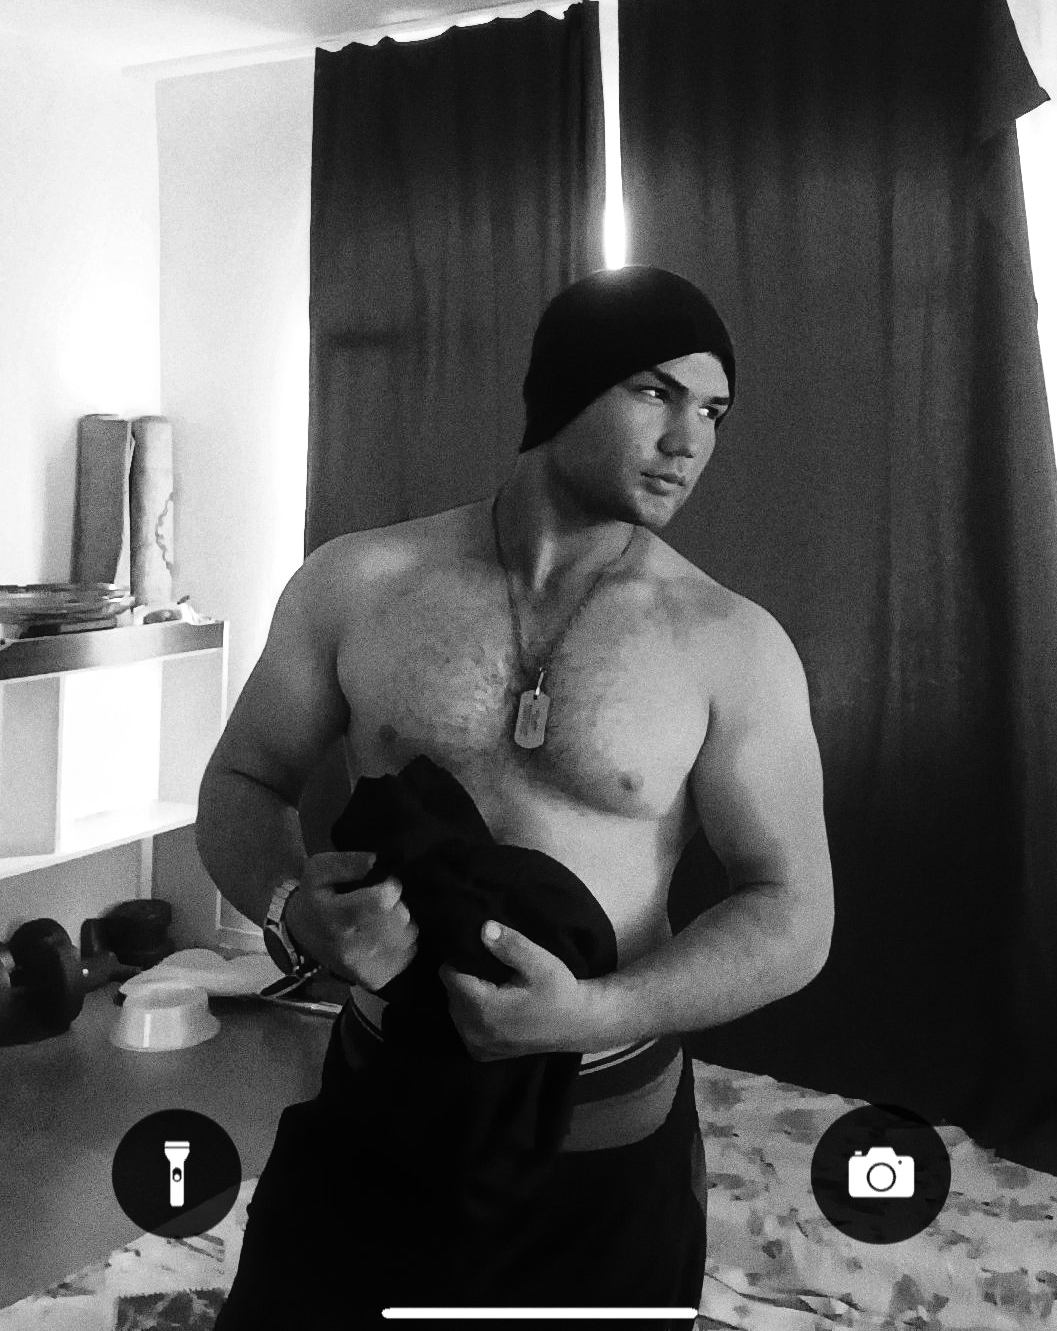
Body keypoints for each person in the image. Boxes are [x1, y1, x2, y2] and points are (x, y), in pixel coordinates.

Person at [199, 265, 834, 1329]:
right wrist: (292, 911)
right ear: (563, 390)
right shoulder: (359, 584)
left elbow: (795, 910)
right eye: (655, 392)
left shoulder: (731, 643)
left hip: (598, 1141)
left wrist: (599, 1011)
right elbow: (242, 780)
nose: (690, 441)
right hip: (380, 1106)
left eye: (713, 411)